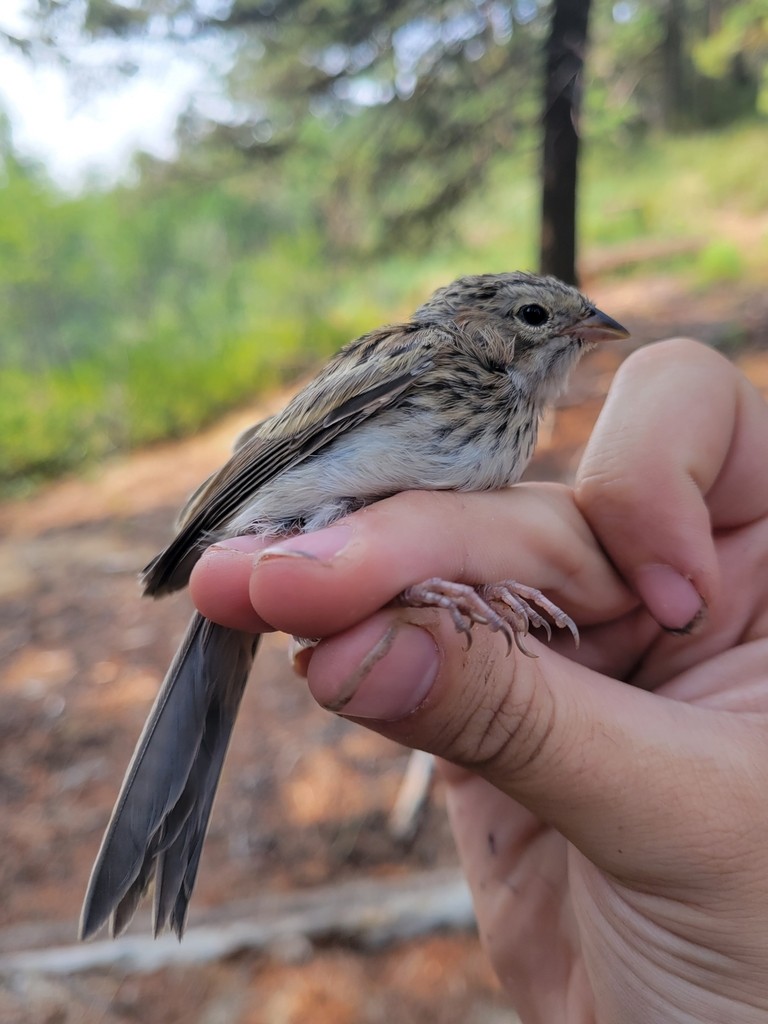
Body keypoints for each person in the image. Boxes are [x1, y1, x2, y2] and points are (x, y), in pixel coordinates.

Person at [190, 338, 768, 1023]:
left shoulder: (508, 428)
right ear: (486, 330)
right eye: (534, 318)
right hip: (273, 524)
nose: (578, 330)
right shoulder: (434, 359)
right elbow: (300, 469)